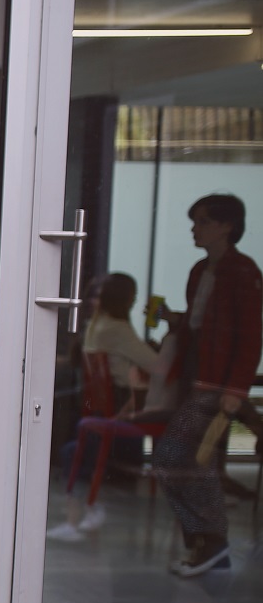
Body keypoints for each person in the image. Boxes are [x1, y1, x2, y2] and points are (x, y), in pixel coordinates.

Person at [153, 194, 261, 576]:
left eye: (202, 221)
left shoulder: (243, 271)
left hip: (214, 384)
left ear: (226, 226)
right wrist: (173, 321)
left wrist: (235, 390)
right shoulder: (201, 271)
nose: (194, 228)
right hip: (194, 377)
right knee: (175, 462)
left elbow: (249, 337)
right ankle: (203, 545)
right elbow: (199, 325)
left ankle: (212, 543)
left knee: (174, 459)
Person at [47, 272, 163, 543]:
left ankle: (78, 514)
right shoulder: (117, 329)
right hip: (124, 410)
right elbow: (158, 366)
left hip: (98, 413)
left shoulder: (95, 325)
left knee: (74, 450)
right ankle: (85, 510)